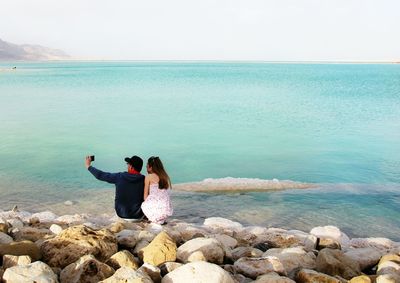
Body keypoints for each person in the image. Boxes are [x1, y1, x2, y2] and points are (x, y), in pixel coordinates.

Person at [85, 155, 145, 221]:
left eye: (128, 164)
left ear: (131, 167)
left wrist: (88, 166)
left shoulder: (120, 176)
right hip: (138, 216)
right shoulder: (145, 179)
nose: (127, 166)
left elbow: (100, 175)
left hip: (122, 214)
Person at [141, 156, 173, 224]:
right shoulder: (165, 177)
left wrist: (147, 205)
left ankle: (153, 218)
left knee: (143, 204)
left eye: (147, 166)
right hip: (165, 211)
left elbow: (145, 196)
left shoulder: (149, 177)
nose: (146, 167)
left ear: (151, 167)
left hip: (155, 211)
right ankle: (160, 220)